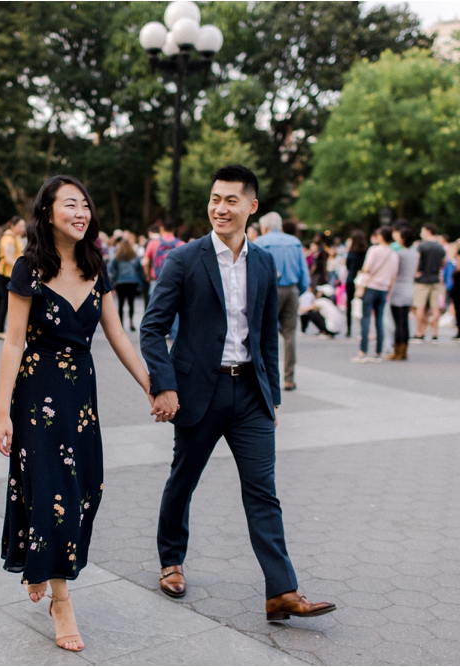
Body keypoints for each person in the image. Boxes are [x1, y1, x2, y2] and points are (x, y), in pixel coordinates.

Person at [140, 164, 336, 623]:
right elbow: (152, 329)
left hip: (249, 394)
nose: (219, 208)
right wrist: (164, 386)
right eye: (214, 199)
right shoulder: (184, 260)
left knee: (263, 491)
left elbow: (267, 336)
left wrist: (273, 402)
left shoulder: (264, 262)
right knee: (183, 480)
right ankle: (171, 560)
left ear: (252, 206)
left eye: (230, 200)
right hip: (196, 394)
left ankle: (281, 591)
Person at [0, 175, 152, 653]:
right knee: (51, 489)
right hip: (37, 394)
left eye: (85, 204)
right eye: (70, 205)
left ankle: (40, 564)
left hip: (81, 399)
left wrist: (153, 387)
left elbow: (119, 336)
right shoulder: (28, 268)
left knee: (86, 488)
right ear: (46, 213)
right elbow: (13, 342)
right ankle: (60, 599)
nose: (81, 212)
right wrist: (2, 412)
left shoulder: (95, 267)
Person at [253, 212, 310, 391]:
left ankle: (265, 377)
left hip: (270, 291)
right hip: (292, 289)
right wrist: (298, 290)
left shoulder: (261, 242)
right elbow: (304, 273)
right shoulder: (294, 242)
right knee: (290, 335)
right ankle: (289, 378)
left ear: (265, 227)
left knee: (264, 335)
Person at [353, 227, 398, 363]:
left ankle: (363, 351)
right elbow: (393, 275)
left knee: (366, 319)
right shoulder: (393, 254)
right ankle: (378, 351)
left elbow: (367, 268)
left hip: (371, 286)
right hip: (384, 288)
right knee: (379, 320)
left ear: (381, 237)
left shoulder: (374, 250)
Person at [142, 219, 185, 337]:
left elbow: (145, 262)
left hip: (157, 280)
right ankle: (175, 333)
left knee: (156, 308)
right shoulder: (181, 244)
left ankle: (156, 334)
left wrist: (148, 276)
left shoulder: (153, 243)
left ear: (161, 229)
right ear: (174, 230)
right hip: (176, 282)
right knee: (176, 308)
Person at [388, 225, 418, 361]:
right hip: (409, 287)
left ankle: (397, 350)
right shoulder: (414, 254)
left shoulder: (399, 254)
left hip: (398, 288)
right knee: (404, 321)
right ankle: (404, 350)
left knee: (398, 322)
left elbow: (394, 273)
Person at [412, 224, 445, 342]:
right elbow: (443, 263)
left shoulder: (421, 246)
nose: (421, 234)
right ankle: (435, 332)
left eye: (422, 231)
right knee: (435, 307)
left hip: (422, 280)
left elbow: (417, 260)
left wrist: (415, 273)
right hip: (435, 279)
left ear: (428, 231)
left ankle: (419, 332)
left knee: (420, 307)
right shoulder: (440, 247)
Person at [0, 216, 26, 339]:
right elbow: (8, 259)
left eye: (23, 226)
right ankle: (0, 329)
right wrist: (22, 269)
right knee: (5, 301)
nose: (23, 228)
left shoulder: (16, 237)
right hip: (5, 274)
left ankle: (4, 329)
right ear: (12, 226)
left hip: (11, 273)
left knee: (8, 302)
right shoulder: (8, 238)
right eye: (20, 226)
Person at [108, 236, 146, 331]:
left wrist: (115, 278)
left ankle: (120, 323)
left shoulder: (117, 258)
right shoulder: (135, 257)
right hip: (132, 282)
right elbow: (140, 270)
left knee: (120, 304)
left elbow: (111, 269)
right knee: (131, 303)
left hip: (120, 282)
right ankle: (131, 322)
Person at [344, 230, 368, 337]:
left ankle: (349, 329)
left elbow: (348, 266)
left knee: (349, 304)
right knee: (362, 304)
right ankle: (363, 328)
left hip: (350, 279)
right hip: (361, 280)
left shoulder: (351, 251)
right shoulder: (366, 251)